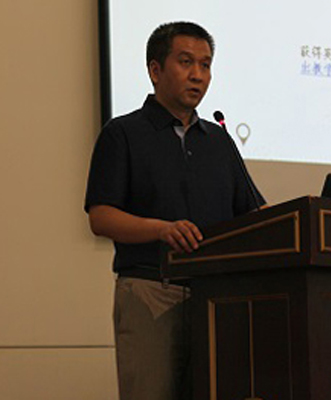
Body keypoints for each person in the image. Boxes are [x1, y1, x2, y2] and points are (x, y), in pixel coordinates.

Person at [84, 21, 265, 400]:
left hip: (215, 297)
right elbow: (101, 216)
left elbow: (253, 213)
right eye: (186, 62)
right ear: (155, 70)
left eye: (205, 64)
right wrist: (161, 229)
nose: (198, 75)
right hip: (151, 289)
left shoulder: (219, 140)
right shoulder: (123, 133)